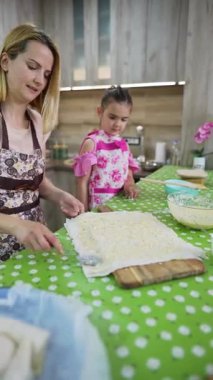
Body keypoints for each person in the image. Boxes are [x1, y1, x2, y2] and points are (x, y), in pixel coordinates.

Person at [0, 23, 84, 261]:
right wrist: (16, 226)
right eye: (32, 67)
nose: (39, 80)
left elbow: (36, 181)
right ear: (5, 61)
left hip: (34, 249)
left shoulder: (37, 122)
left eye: (46, 74)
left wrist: (60, 196)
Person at [73, 85, 140, 211]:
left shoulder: (123, 144)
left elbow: (128, 172)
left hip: (121, 205)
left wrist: (130, 184)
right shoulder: (92, 143)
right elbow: (81, 182)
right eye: (112, 117)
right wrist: (83, 214)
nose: (117, 124)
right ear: (100, 112)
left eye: (123, 119)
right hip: (99, 208)